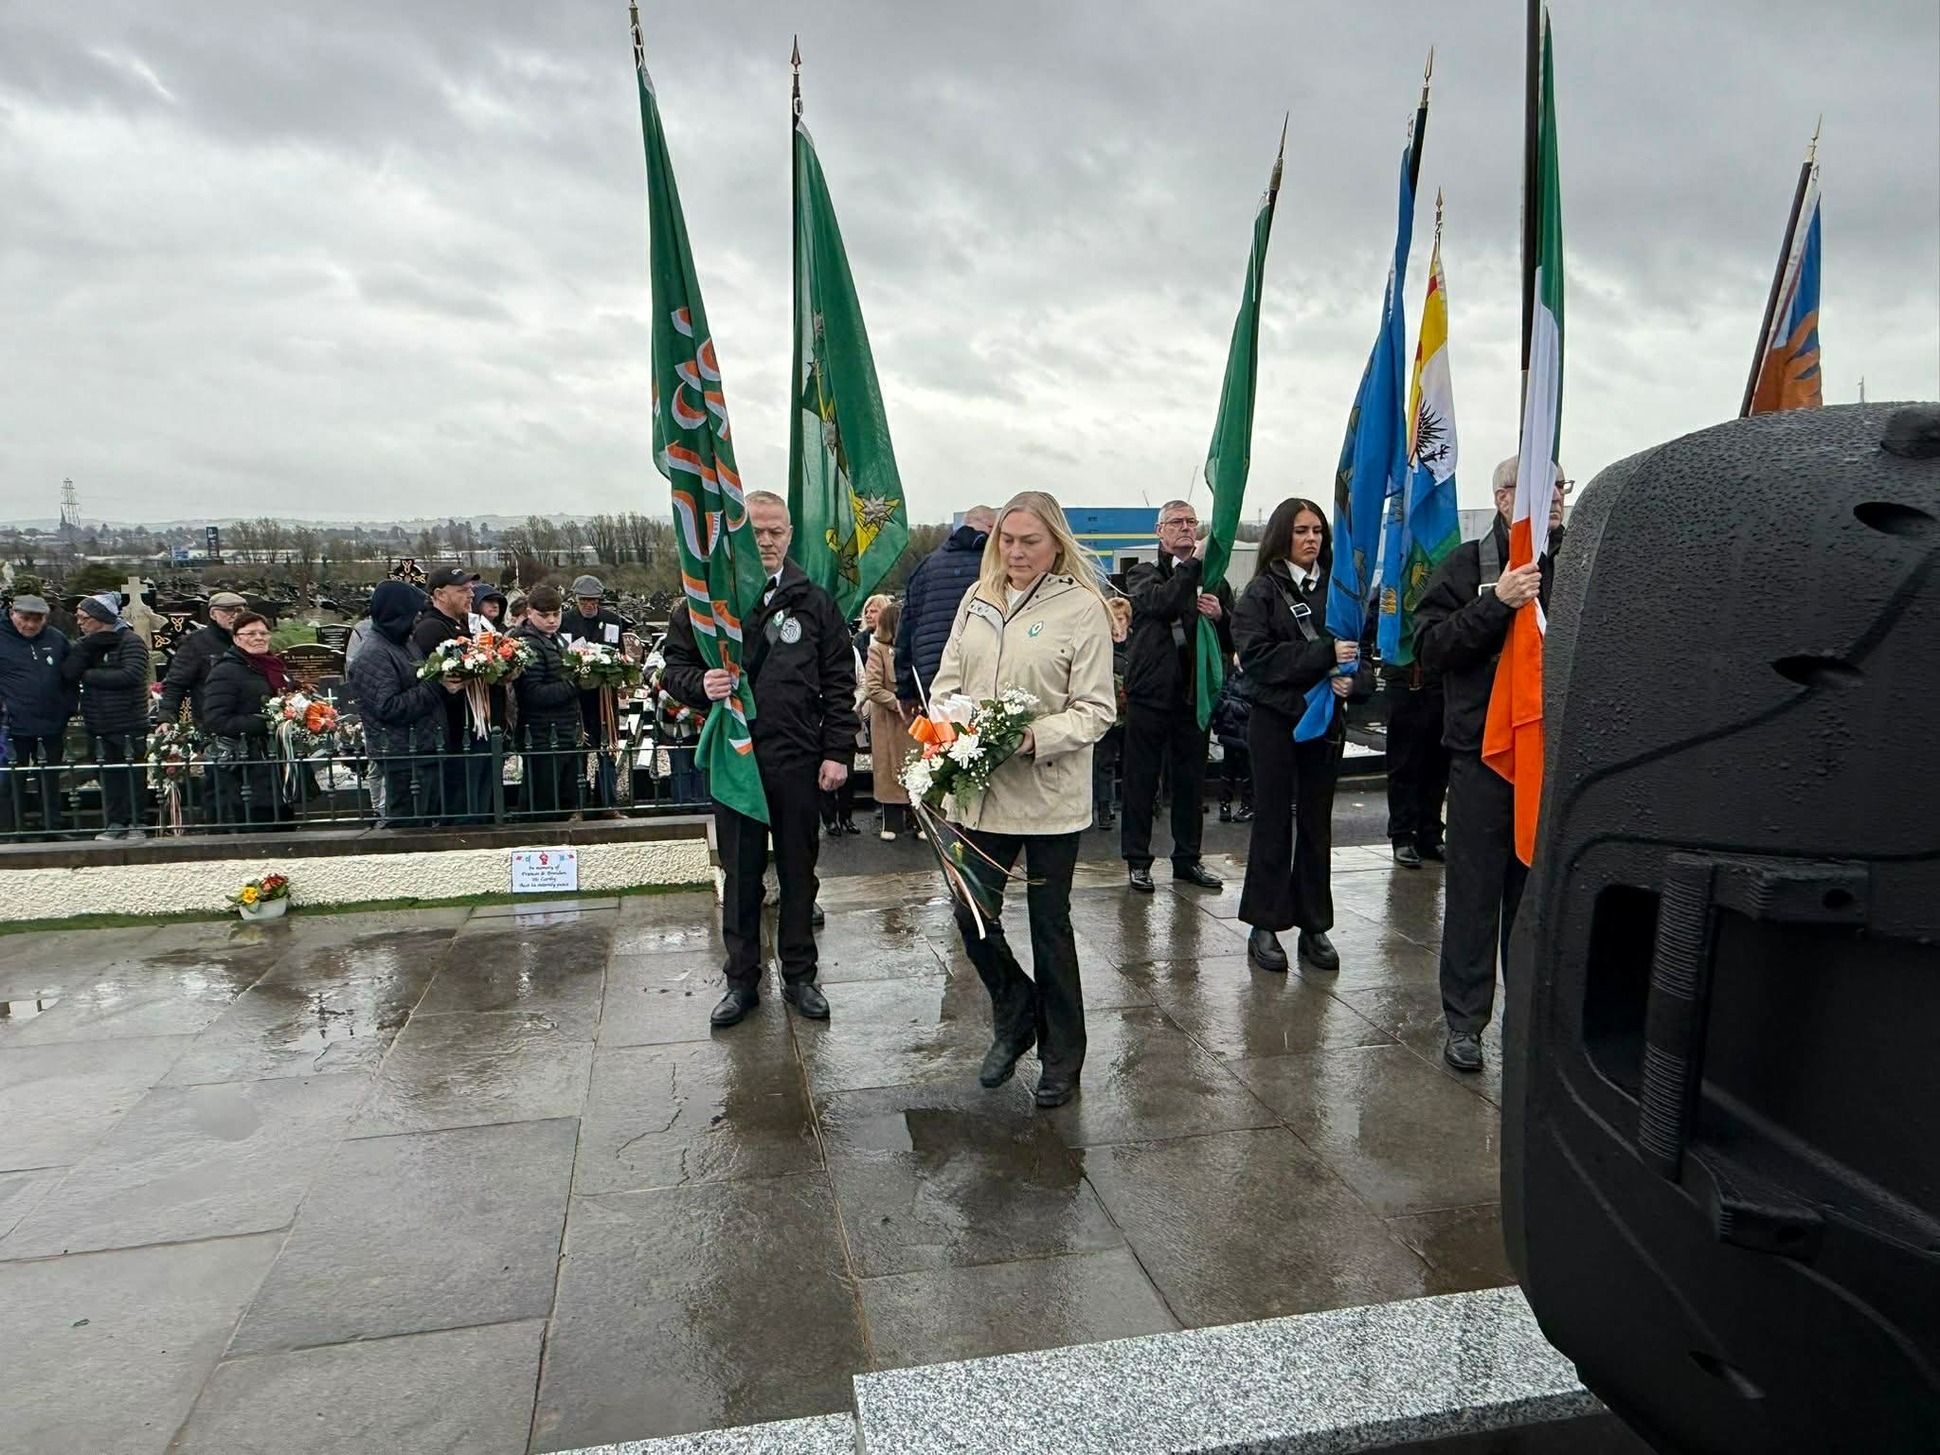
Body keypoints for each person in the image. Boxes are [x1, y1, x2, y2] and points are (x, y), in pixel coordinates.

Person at [930, 491, 1116, 1109]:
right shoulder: (977, 599)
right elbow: (947, 681)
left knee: (1048, 927)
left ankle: (1063, 1057)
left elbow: (1096, 709)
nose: (1016, 552)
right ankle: (1016, 1010)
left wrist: (1032, 736)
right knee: (971, 913)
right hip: (979, 792)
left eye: (1029, 541)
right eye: (1007, 540)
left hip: (1047, 796)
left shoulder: (1081, 608)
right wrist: (949, 727)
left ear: (1055, 544)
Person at [662, 491, 858, 1029]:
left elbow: (840, 682)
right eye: (756, 532)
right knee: (741, 875)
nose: (766, 541)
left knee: (799, 872)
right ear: (737, 535)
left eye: (776, 531)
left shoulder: (814, 602)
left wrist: (838, 751)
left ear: (790, 535)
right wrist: (699, 683)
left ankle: (800, 976)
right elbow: (673, 668)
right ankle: (742, 982)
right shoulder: (707, 605)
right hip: (737, 760)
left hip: (798, 758)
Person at [1413, 457, 1567, 1073]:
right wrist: (1496, 603)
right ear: (1505, 498)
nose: (1554, 498)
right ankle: (1465, 1023)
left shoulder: (1577, 562)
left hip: (1551, 755)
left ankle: (1529, 1023)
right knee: (1475, 894)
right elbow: (1429, 648)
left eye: (1560, 487)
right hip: (1482, 755)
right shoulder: (1466, 565)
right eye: (1541, 488)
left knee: (1535, 899)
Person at [1231, 499, 1353, 974]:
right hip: (1276, 724)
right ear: (1283, 535)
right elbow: (1258, 659)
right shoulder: (1261, 593)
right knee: (1274, 822)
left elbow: (1360, 652)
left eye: (1318, 530)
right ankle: (1264, 923)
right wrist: (1324, 657)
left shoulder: (1339, 590)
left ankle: (1314, 924)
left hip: (1326, 725)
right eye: (1301, 530)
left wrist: (1354, 682)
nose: (1311, 539)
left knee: (1317, 825)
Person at [1119, 500, 1232, 893]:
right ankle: (1137, 860)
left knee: (1190, 784)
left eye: (1191, 522)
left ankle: (1188, 859)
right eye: (1176, 522)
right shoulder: (1142, 573)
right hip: (1150, 694)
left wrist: (1220, 616)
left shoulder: (1213, 579)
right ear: (1159, 530)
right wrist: (1192, 565)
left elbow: (1233, 639)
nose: (1185, 528)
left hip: (1192, 696)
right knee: (1141, 781)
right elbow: (1161, 602)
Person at [348, 580, 461, 828]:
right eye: (414, 613)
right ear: (397, 614)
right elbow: (388, 707)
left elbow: (420, 680)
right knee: (408, 827)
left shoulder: (402, 643)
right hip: (403, 755)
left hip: (422, 749)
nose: (418, 618)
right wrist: (437, 686)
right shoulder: (374, 653)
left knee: (427, 823)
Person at [64, 592, 154, 842]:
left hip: (128, 721)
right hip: (97, 721)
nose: (80, 623)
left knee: (132, 776)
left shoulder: (130, 641)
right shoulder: (87, 644)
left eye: (84, 618)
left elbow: (131, 675)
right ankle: (115, 822)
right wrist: (85, 653)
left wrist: (88, 675)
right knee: (108, 776)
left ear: (101, 618)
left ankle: (137, 822)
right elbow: (69, 672)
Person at [413, 565, 493, 822]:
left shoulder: (464, 624)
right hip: (456, 733)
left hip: (475, 727)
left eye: (471, 589)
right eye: (462, 590)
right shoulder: (431, 629)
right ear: (440, 595)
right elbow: (431, 679)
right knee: (463, 809)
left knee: (479, 804)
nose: (471, 595)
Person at [895, 506, 994, 711]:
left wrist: (906, 690)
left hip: (931, 676)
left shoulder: (926, 566)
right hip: (981, 674)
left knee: (942, 730)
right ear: (992, 528)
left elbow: (905, 630)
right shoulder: (995, 567)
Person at [200, 611, 292, 830]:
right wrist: (268, 722)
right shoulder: (225, 671)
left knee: (284, 826)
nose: (259, 638)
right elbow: (216, 720)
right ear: (236, 638)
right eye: (250, 633)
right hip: (244, 769)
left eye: (263, 633)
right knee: (258, 827)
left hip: (275, 763)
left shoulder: (274, 667)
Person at [0, 593, 75, 836]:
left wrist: (67, 708)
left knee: (50, 778)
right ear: (12, 613)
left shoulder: (56, 638)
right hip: (12, 724)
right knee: (12, 780)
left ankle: (52, 826)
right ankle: (12, 830)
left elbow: (70, 676)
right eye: (25, 619)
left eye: (37, 620)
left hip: (52, 722)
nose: (30, 625)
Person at [510, 584, 584, 820]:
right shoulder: (529, 643)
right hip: (542, 734)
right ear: (529, 613)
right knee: (542, 802)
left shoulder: (554, 639)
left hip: (561, 731)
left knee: (562, 799)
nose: (552, 620)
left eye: (556, 614)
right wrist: (575, 684)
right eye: (544, 615)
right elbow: (533, 693)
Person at [560, 575, 633, 814]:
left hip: (604, 696)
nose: (589, 605)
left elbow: (619, 653)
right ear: (576, 599)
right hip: (577, 697)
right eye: (584, 601)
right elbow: (563, 656)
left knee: (607, 748)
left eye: (593, 601)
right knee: (578, 750)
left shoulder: (612, 620)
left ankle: (608, 803)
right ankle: (577, 805)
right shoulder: (566, 621)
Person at [1382, 656, 1450, 867]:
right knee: (1403, 764)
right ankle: (1403, 834)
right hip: (1405, 676)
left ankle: (1430, 833)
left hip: (1440, 677)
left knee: (1439, 764)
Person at [862, 598, 918, 840]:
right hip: (888, 724)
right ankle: (892, 824)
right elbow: (873, 688)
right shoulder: (877, 651)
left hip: (915, 723)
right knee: (889, 773)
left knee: (918, 769)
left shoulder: (913, 651)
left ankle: (919, 822)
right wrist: (899, 704)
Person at [154, 591, 246, 728]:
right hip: (212, 721)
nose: (235, 615)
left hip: (249, 719)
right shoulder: (196, 643)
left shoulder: (252, 639)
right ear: (213, 614)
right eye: (227, 611)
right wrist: (166, 717)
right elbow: (175, 683)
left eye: (239, 610)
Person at [1211, 665, 1254, 823]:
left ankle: (1245, 804)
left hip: (1240, 732)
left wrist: (1227, 706)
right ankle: (1226, 803)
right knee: (1229, 770)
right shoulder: (1234, 677)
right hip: (1233, 732)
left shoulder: (1245, 679)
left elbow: (1249, 707)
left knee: (1243, 770)